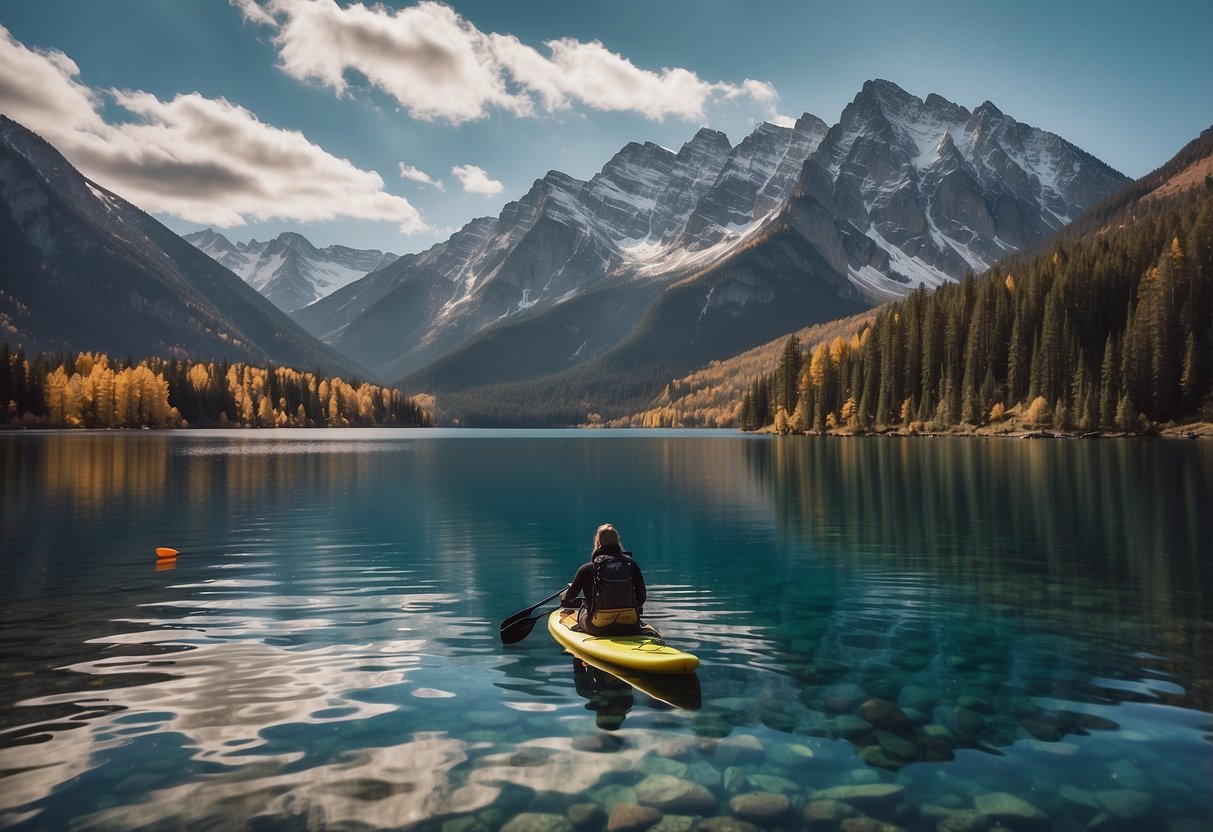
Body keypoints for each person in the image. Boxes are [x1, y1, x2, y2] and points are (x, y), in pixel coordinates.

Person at [560, 523, 647, 635]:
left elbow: (569, 598)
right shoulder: (630, 565)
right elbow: (642, 597)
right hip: (630, 625)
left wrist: (565, 596)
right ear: (617, 542)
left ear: (598, 542)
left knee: (582, 608)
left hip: (598, 627)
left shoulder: (587, 568)